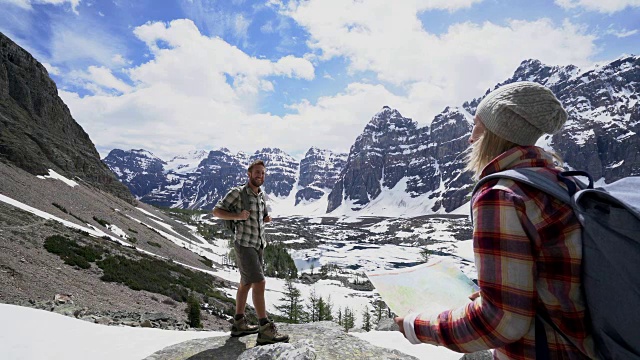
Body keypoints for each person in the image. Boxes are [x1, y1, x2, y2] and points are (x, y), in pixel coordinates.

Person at [394, 82, 596, 359]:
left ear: (495, 133)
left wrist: (416, 326)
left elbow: (502, 324)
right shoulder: (562, 180)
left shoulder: (501, 195)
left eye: (476, 126)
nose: (469, 138)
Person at [212, 159, 289, 345]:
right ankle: (265, 329)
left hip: (257, 245)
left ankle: (239, 323)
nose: (260, 176)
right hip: (244, 245)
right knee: (259, 282)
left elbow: (259, 217)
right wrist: (237, 216)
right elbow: (216, 211)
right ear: (249, 174)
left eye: (262, 173)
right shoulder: (238, 193)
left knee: (245, 283)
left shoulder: (261, 195)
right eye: (257, 172)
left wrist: (265, 219)